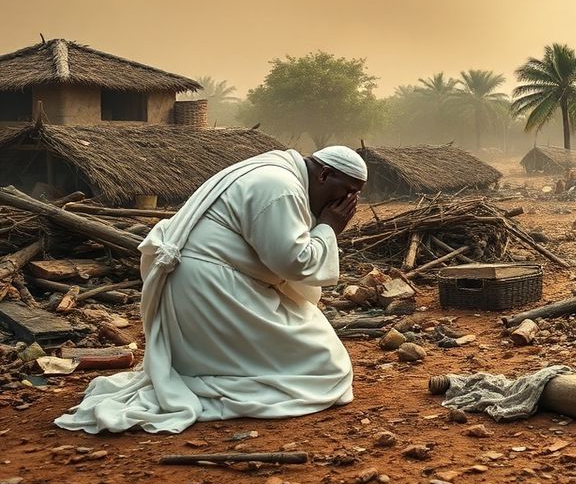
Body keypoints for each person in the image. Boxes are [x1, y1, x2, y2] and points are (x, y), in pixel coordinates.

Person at [56, 145, 368, 434]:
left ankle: (212, 372)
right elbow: (293, 263)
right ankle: (217, 384)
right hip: (211, 287)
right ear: (325, 175)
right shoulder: (281, 187)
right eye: (348, 192)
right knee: (327, 368)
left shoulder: (276, 172)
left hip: (208, 283)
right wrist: (329, 226)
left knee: (315, 345)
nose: (349, 203)